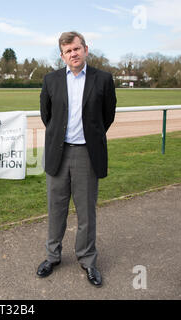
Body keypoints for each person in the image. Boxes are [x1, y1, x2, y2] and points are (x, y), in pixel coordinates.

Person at [36, 31, 116, 287]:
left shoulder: (103, 79)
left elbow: (107, 116)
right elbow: (47, 116)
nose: (74, 53)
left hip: (86, 154)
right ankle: (52, 256)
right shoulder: (51, 80)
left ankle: (88, 260)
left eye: (77, 48)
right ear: (62, 55)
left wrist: (89, 137)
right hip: (58, 153)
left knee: (86, 212)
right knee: (56, 208)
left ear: (86, 50)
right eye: (68, 50)